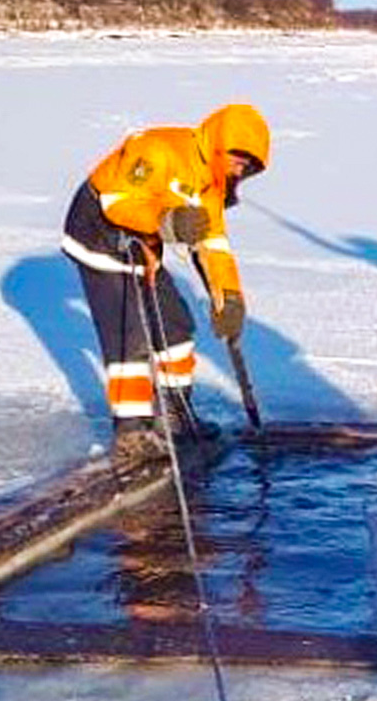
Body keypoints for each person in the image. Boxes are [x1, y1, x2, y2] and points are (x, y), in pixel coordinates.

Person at [60, 103, 271, 460]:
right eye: (238, 158)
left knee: (176, 326)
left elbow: (213, 245)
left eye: (249, 166)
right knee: (129, 337)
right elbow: (118, 203)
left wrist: (229, 299)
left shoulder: (210, 186)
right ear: (219, 144)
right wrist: (167, 222)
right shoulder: (159, 150)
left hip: (144, 247)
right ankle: (132, 433)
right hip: (99, 235)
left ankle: (174, 415)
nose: (241, 168)